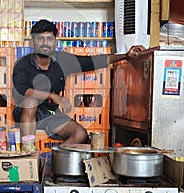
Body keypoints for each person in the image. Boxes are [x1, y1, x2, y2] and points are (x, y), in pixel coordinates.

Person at [12, 19, 145, 144]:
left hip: (50, 114)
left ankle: (55, 158)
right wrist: (51, 95)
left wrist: (126, 56)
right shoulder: (23, 64)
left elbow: (94, 61)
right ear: (32, 42)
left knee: (80, 134)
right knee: (31, 102)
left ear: (55, 42)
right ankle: (28, 153)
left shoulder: (62, 60)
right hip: (25, 114)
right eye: (40, 38)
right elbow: (23, 90)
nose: (45, 43)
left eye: (49, 38)